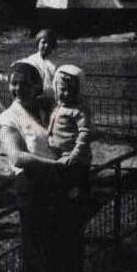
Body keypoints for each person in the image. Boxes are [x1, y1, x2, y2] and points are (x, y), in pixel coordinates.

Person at [0, 61, 85, 272]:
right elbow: (17, 157)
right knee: (43, 253)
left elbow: (75, 109)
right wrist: (56, 165)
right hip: (32, 188)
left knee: (65, 248)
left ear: (36, 85)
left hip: (57, 185)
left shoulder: (49, 108)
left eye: (23, 82)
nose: (16, 88)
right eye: (13, 83)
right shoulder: (8, 118)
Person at [48, 64, 95, 214]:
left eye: (71, 90)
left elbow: (85, 134)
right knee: (61, 188)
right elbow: (52, 125)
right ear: (56, 88)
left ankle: (78, 212)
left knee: (76, 189)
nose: (66, 94)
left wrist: (75, 155)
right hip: (60, 155)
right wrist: (49, 137)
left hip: (75, 159)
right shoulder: (59, 107)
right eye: (62, 89)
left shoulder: (79, 110)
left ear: (78, 91)